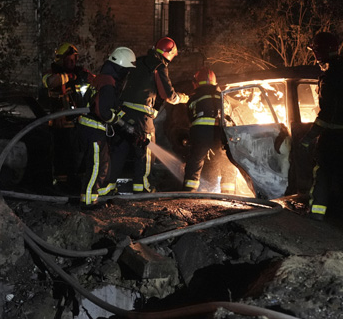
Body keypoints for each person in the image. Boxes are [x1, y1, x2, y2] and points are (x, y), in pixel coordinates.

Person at [108, 37, 188, 193]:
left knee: (120, 150)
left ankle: (108, 186)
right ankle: (143, 187)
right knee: (146, 151)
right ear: (169, 52)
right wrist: (184, 98)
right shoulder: (159, 65)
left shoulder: (138, 61)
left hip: (123, 113)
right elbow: (168, 95)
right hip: (141, 117)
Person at [301, 31, 343, 221]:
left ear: (319, 51)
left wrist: (308, 138)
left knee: (323, 174)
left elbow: (327, 114)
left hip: (332, 137)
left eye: (315, 51)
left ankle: (316, 214)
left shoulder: (330, 77)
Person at [77, 47, 136, 207]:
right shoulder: (108, 83)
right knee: (96, 166)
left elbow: (108, 106)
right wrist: (119, 122)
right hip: (94, 130)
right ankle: (88, 202)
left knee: (102, 165)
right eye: (127, 70)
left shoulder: (102, 79)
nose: (127, 74)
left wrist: (124, 120)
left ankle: (97, 197)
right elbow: (104, 112)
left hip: (90, 129)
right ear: (121, 68)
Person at [41, 42, 93, 192]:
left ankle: (78, 185)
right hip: (60, 126)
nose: (72, 62)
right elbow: (51, 82)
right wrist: (72, 76)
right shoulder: (51, 73)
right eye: (69, 59)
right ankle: (62, 187)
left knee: (80, 157)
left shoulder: (80, 72)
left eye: (74, 59)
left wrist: (87, 77)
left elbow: (93, 80)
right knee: (62, 158)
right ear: (61, 60)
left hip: (79, 123)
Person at [182, 67, 236, 194]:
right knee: (225, 160)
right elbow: (228, 115)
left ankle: (189, 191)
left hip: (201, 133)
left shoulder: (194, 98)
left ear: (195, 83)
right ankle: (228, 193)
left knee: (195, 160)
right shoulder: (223, 97)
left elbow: (190, 117)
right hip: (220, 133)